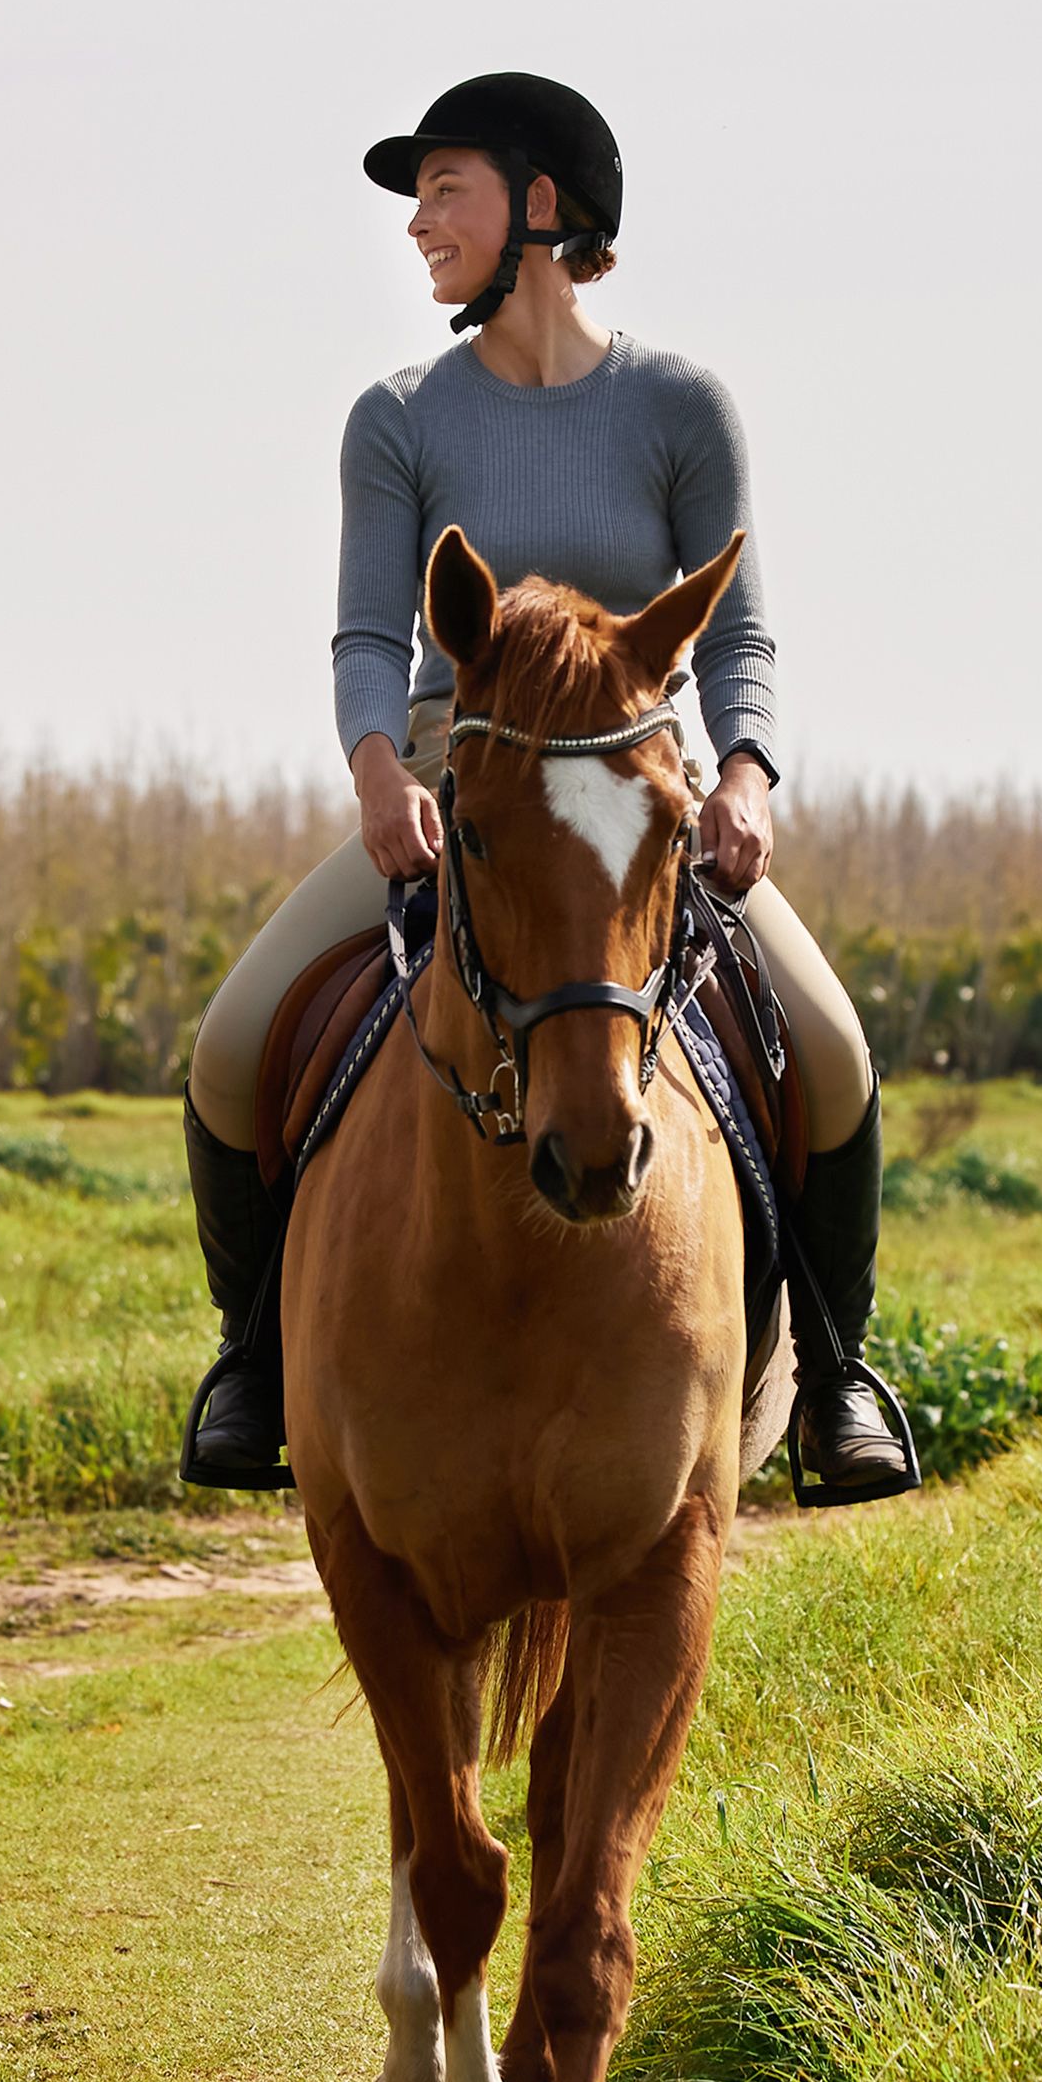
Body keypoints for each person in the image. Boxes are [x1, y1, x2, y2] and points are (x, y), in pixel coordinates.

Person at [178, 74, 913, 1504]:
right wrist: (379, 770)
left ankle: (837, 1375)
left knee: (831, 1058)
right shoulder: (395, 419)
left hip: (637, 799)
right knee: (230, 1045)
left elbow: (740, 630)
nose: (417, 222)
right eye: (415, 197)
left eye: (444, 187)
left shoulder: (681, 406)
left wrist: (747, 774)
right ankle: (254, 1363)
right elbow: (368, 636)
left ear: (540, 207)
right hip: (459, 783)